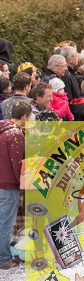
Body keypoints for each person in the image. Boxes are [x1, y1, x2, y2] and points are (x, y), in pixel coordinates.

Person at [0, 100, 30, 269]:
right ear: (24, 116)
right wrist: (24, 183)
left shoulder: (3, 129)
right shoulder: (16, 135)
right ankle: (3, 259)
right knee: (5, 222)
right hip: (8, 184)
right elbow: (17, 165)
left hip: (1, 180)